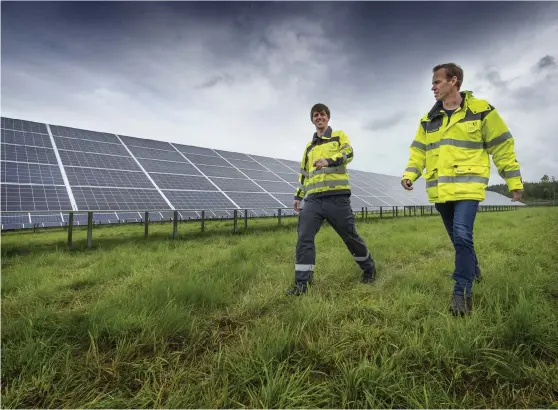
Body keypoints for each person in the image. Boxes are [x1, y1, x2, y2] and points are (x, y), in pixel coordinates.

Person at [401, 63, 523, 316]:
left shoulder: (482, 111)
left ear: (453, 81)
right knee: (458, 240)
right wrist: (410, 174)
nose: (432, 87)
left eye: (437, 82)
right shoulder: (428, 120)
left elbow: (502, 146)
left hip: (468, 188)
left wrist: (514, 181)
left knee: (462, 235)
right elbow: (418, 153)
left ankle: (461, 294)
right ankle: (474, 271)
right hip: (440, 191)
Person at [286, 103, 376, 296]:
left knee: (350, 237)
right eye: (316, 115)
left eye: (323, 114)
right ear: (312, 120)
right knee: (304, 238)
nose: (319, 118)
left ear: (328, 117)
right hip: (313, 201)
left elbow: (348, 153)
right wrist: (298, 196)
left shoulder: (339, 136)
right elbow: (303, 174)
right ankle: (302, 284)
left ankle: (369, 269)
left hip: (337, 197)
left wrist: (329, 160)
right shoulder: (308, 148)